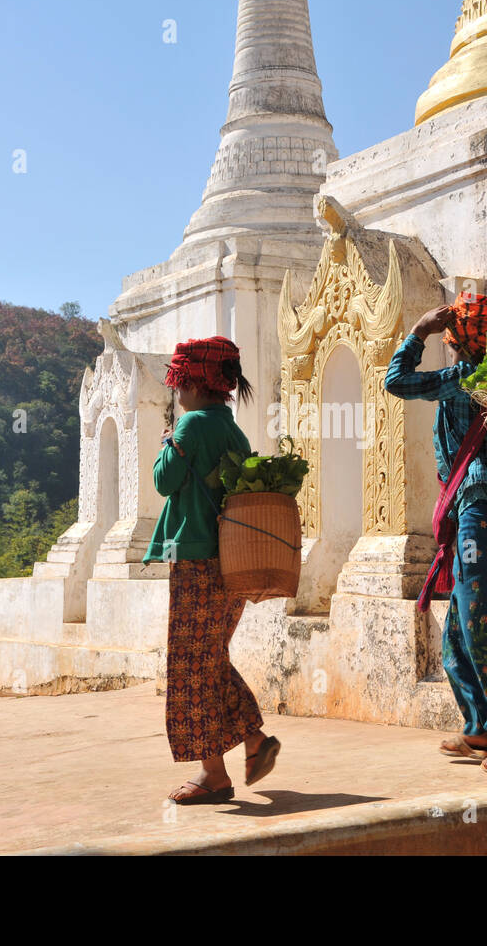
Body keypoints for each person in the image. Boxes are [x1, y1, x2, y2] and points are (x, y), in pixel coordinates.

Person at [384, 294, 487, 777]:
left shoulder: (467, 378)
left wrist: (418, 332)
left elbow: (397, 382)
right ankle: (479, 728)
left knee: (482, 629)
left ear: (457, 340)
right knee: (461, 626)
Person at [141, 336, 281, 805]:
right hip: (232, 560)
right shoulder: (232, 430)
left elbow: (165, 482)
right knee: (208, 660)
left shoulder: (193, 426)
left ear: (195, 382)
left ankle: (215, 774)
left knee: (191, 667)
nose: (175, 388)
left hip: (197, 559)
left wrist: (170, 443)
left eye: (178, 380)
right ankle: (243, 748)